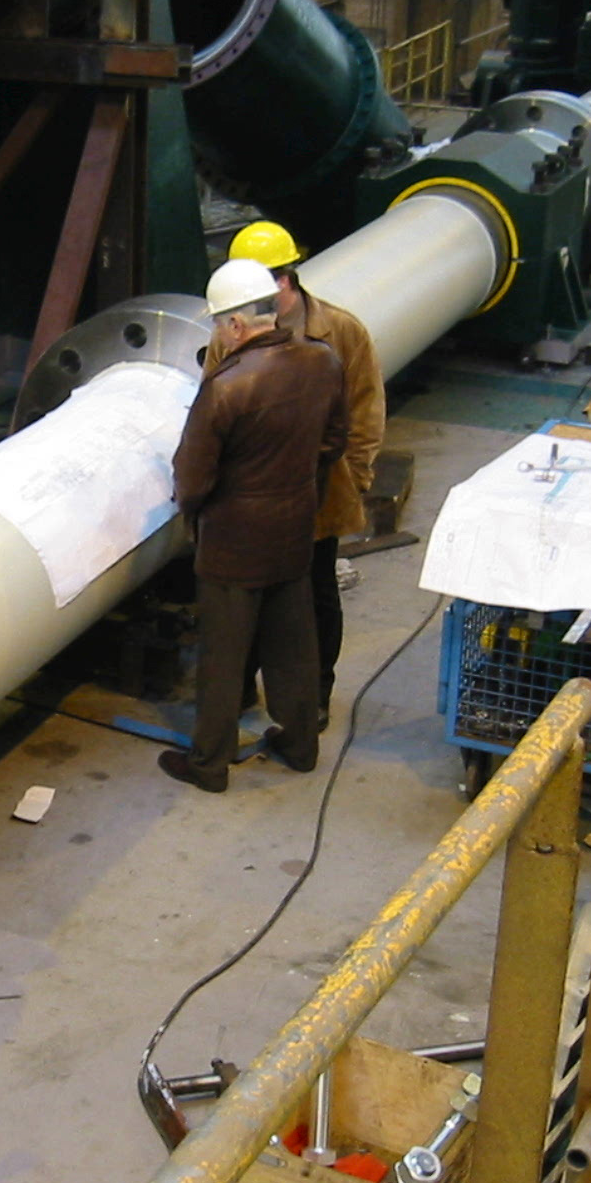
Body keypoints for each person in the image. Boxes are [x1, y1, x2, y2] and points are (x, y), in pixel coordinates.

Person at [161, 258, 349, 793]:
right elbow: (335, 441)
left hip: (233, 542)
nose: (220, 335)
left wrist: (195, 510)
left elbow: (193, 476)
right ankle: (300, 745)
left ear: (237, 325)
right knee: (293, 642)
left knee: (223, 656)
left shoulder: (225, 387)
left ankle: (209, 765)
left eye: (220, 324)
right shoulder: (323, 361)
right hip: (294, 529)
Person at [222, 220, 387, 731]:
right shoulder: (229, 328)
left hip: (318, 494)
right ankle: (243, 687)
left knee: (315, 596)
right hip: (251, 496)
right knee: (246, 595)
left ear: (285, 280)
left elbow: (365, 411)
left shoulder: (341, 332)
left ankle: (314, 696)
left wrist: (354, 479)